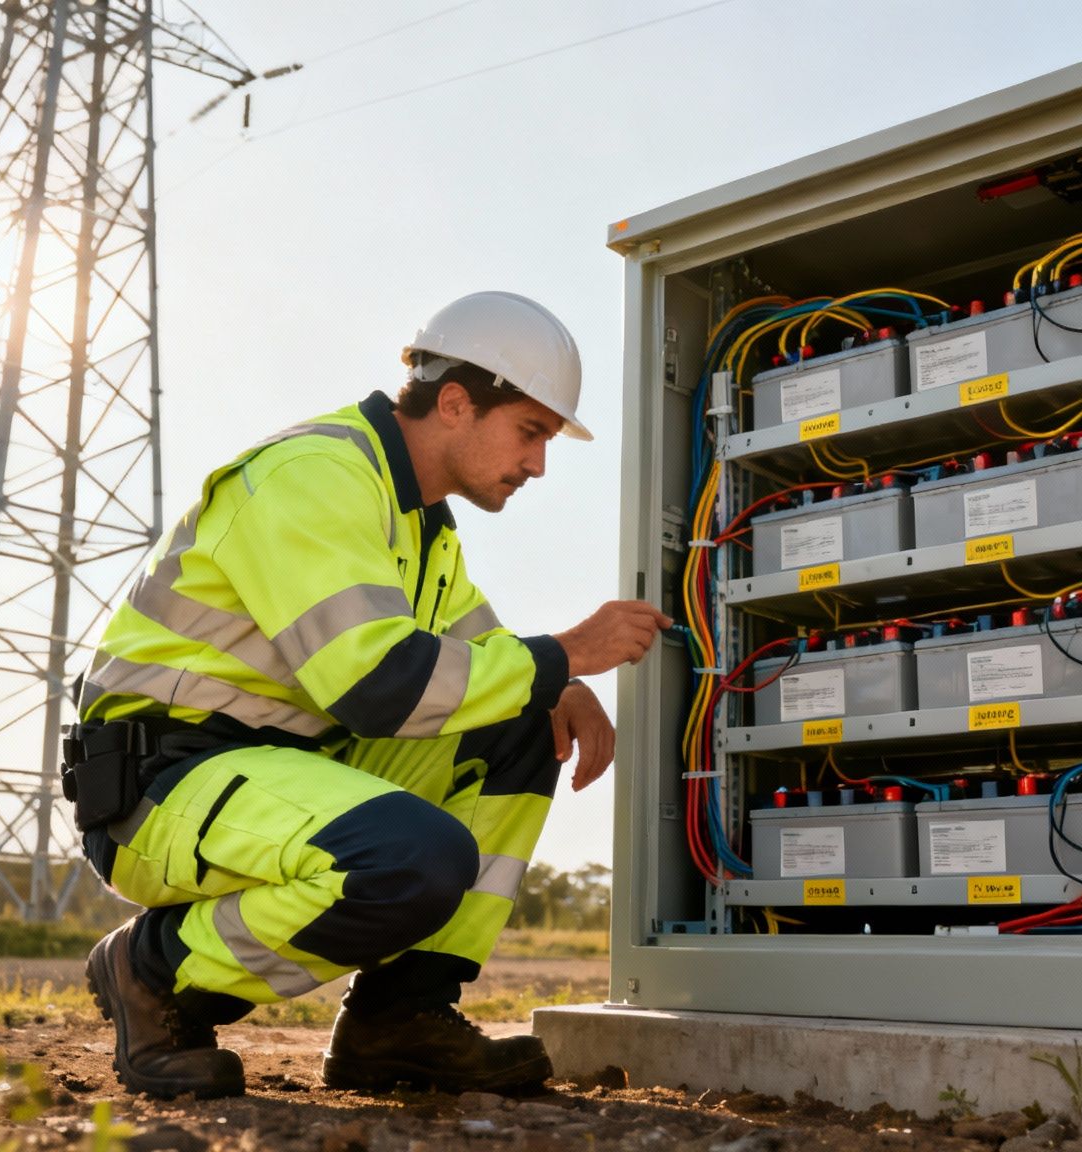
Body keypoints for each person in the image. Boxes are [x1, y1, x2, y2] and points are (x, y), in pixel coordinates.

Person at [62, 291, 670, 1100]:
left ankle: (398, 1019)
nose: (537, 465)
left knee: (520, 719)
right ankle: (153, 972)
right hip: (161, 785)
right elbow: (376, 686)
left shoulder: (419, 523)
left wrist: (555, 679)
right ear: (456, 403)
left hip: (272, 768)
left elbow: (482, 654)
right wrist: (564, 654)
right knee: (411, 859)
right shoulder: (316, 476)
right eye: (531, 433)